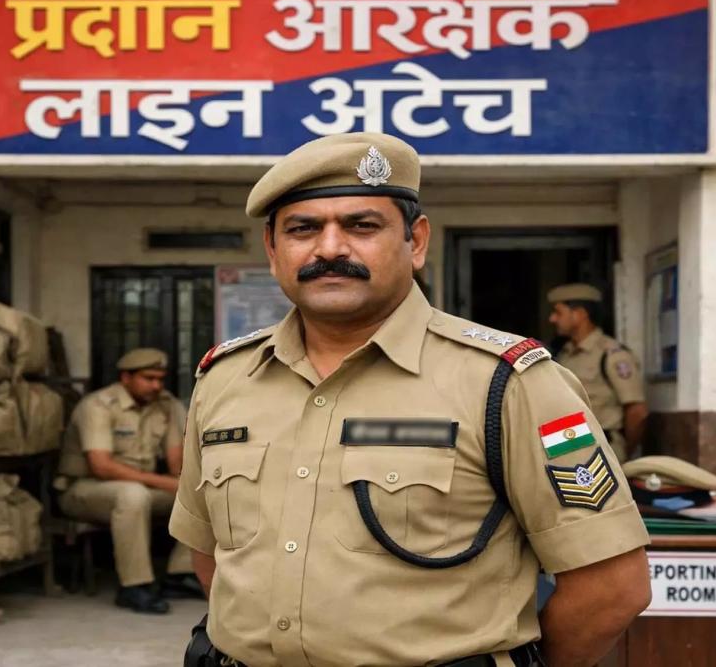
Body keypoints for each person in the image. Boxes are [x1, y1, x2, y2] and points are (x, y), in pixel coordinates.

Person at [170, 133, 652, 667]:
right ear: (272, 248)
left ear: (416, 241)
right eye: (302, 229)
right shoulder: (225, 379)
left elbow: (612, 587)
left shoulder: (510, 383)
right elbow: (211, 551)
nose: (329, 249)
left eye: (361, 226)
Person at [56, 348, 200, 614]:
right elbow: (101, 467)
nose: (156, 386)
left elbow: (176, 463)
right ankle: (134, 586)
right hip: (85, 489)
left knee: (200, 493)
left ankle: (181, 574)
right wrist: (164, 483)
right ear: (125, 378)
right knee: (132, 495)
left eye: (160, 379)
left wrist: (184, 483)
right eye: (148, 378)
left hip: (142, 488)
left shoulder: (166, 404)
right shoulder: (99, 405)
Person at [547, 284, 649, 463]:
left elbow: (637, 412)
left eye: (558, 312)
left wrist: (625, 452)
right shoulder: (565, 354)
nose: (552, 319)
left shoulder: (611, 354)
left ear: (579, 314)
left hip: (600, 448)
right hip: (565, 444)